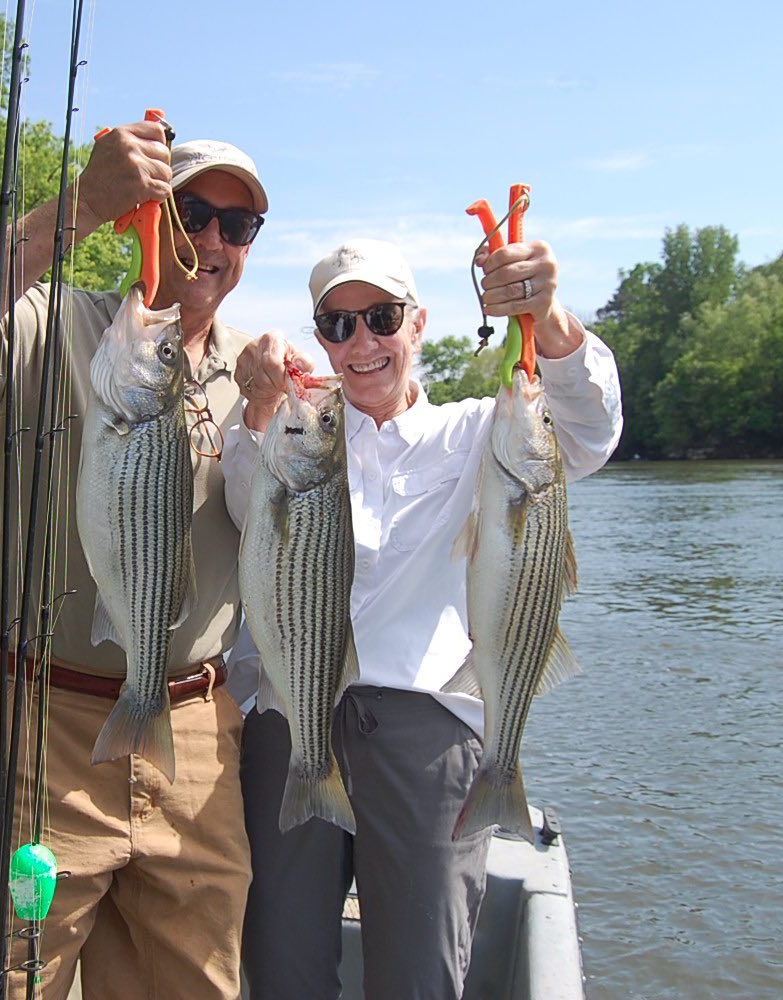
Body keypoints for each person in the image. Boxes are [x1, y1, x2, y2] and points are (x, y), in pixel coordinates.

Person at [0, 121, 268, 1000]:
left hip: (200, 743)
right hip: (39, 728)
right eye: (196, 212)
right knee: (4, 986)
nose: (213, 241)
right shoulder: (60, 319)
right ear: (153, 210)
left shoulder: (255, 374)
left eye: (238, 226)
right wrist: (80, 206)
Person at [221, 237, 623, 998]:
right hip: (290, 709)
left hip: (426, 726)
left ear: (418, 324)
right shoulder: (296, 433)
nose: (361, 342)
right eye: (337, 325)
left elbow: (590, 434)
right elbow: (246, 506)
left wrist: (550, 319)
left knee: (419, 979)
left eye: (380, 316)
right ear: (320, 341)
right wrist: (262, 409)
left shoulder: (481, 431)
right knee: (280, 969)